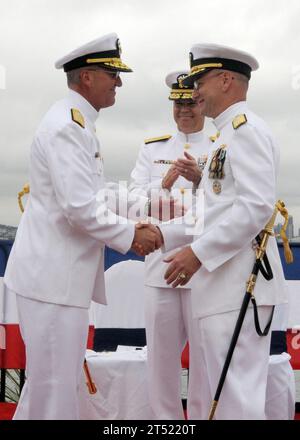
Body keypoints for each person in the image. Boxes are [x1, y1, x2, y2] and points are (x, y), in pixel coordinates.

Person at [4, 33, 162, 420]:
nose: (119, 83)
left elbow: (96, 194)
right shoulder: (67, 127)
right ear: (88, 76)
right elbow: (79, 207)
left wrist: (146, 203)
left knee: (54, 384)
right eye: (113, 74)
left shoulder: (78, 124)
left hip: (58, 281)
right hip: (52, 281)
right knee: (54, 388)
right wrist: (132, 235)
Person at [161, 43, 287, 419]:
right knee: (223, 390)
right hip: (224, 287)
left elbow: (255, 206)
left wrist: (197, 253)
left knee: (236, 397)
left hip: (238, 284)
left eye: (201, 80)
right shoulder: (227, 135)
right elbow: (221, 206)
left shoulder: (244, 131)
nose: (195, 90)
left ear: (227, 80)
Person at [130, 71, 212, 419]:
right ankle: (165, 423)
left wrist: (201, 180)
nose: (184, 111)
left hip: (205, 268)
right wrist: (161, 186)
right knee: (161, 359)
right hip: (160, 269)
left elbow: (231, 203)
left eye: (190, 103)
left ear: (202, 103)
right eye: (178, 104)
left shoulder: (221, 146)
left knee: (206, 360)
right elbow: (133, 204)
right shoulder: (153, 150)